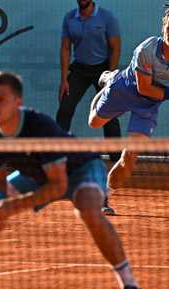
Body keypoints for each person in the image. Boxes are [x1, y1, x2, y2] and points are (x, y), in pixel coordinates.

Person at [0, 71, 146, 289]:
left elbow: (58, 187)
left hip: (81, 169)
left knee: (89, 210)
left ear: (18, 103)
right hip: (36, 175)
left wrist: (11, 208)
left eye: (1, 99)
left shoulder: (39, 127)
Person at [88, 4, 169, 190]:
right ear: (163, 28)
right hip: (126, 89)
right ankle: (110, 78)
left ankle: (105, 194)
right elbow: (144, 89)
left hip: (149, 105)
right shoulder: (145, 50)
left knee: (130, 157)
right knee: (94, 123)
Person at [58, 0, 122, 215]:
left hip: (102, 70)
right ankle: (57, 155)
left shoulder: (106, 17)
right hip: (79, 71)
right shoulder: (69, 18)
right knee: (65, 108)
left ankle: (116, 159)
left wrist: (111, 76)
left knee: (109, 112)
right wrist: (63, 79)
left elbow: (115, 47)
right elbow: (66, 48)